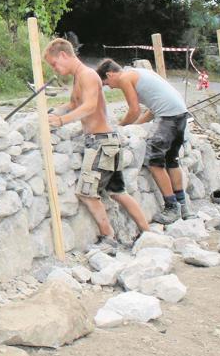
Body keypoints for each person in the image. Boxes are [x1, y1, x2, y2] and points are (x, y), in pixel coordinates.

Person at [43, 39, 150, 252]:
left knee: (86, 192)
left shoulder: (88, 75)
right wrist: (53, 112)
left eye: (54, 63)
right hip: (106, 142)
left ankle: (108, 236)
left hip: (101, 143)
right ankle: (148, 232)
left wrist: (63, 121)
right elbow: (74, 104)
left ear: (64, 55)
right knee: (118, 191)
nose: (55, 68)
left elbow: (90, 106)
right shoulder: (78, 78)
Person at [96, 59, 192, 223]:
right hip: (180, 114)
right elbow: (151, 110)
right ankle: (183, 207)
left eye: (106, 83)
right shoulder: (141, 73)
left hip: (168, 117)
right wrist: (134, 126)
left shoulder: (125, 78)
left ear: (110, 74)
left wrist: (119, 127)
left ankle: (171, 207)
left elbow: (134, 110)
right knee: (171, 160)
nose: (110, 87)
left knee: (154, 162)